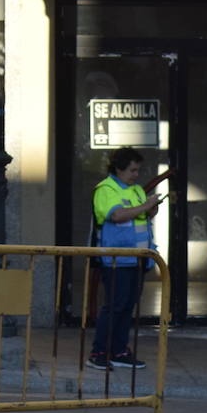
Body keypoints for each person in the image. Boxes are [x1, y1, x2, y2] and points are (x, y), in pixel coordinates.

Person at [88, 148, 173, 370]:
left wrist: (151, 208)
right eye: (132, 170)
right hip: (116, 259)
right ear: (119, 168)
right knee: (114, 306)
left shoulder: (135, 190)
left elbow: (140, 215)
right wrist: (145, 206)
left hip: (137, 259)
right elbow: (116, 215)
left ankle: (119, 350)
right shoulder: (106, 189)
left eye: (138, 170)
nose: (136, 175)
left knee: (127, 306)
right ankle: (98, 352)